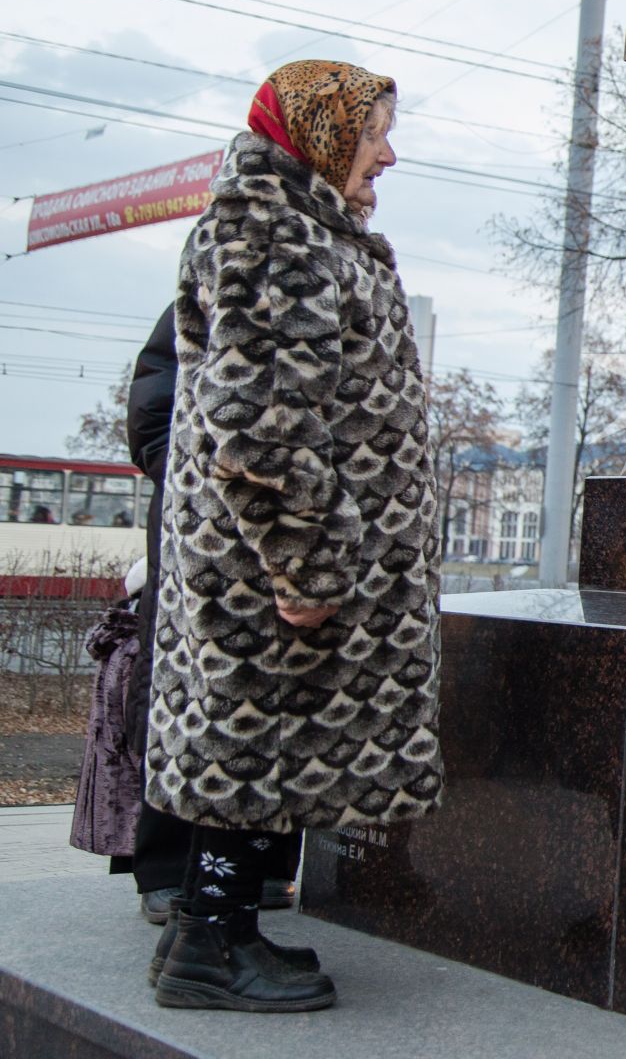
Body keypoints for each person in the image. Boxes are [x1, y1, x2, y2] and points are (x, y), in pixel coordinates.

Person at [145, 61, 443, 1012]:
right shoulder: (270, 234)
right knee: (253, 737)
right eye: (372, 135)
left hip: (269, 563)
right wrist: (308, 563)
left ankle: (215, 929)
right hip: (272, 570)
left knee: (258, 743)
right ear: (318, 136)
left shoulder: (295, 229)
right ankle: (210, 947)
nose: (386, 156)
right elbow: (263, 421)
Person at [120, 305, 301, 921]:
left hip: (283, 517)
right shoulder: (221, 274)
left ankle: (265, 867)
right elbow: (153, 400)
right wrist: (189, 476)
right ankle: (169, 871)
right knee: (188, 689)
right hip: (201, 515)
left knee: (276, 693)